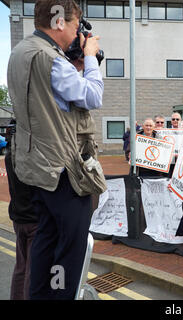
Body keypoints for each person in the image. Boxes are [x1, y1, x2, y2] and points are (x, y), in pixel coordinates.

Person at [7, 0, 107, 299]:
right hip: (63, 172)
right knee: (68, 252)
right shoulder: (50, 58)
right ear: (60, 22)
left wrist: (75, 63)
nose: (79, 33)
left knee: (45, 245)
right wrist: (89, 59)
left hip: (37, 169)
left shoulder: (20, 53)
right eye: (77, 26)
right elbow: (92, 96)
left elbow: (50, 105)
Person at [4, 120, 38, 300]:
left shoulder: (10, 156)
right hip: (34, 218)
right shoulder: (29, 156)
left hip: (18, 216)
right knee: (32, 271)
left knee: (20, 267)